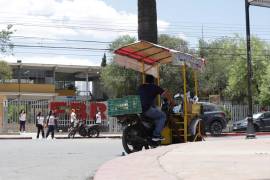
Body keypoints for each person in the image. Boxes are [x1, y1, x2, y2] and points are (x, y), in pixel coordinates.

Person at [138, 74, 175, 141]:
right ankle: (156, 134)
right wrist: (172, 101)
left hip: (139, 109)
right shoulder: (154, 86)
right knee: (163, 116)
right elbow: (165, 94)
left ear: (145, 80)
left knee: (156, 110)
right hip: (147, 109)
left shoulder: (141, 87)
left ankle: (151, 131)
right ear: (153, 81)